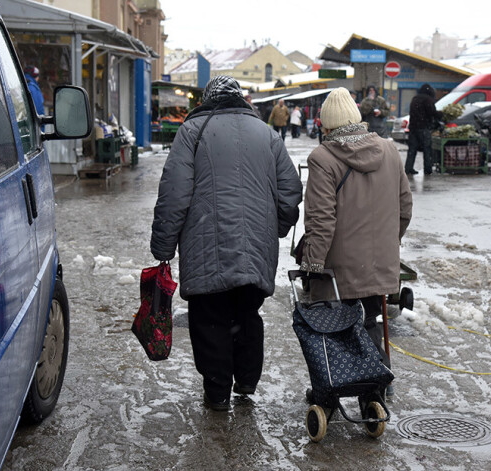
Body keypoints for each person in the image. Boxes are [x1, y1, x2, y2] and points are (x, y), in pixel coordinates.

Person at [150, 75, 303, 411]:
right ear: (241, 100)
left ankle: (217, 390)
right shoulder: (268, 134)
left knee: (210, 318)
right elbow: (291, 191)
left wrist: (163, 246)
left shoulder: (192, 132)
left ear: (208, 99)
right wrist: (273, 228)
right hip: (257, 249)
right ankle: (247, 380)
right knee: (247, 312)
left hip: (206, 246)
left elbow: (174, 194)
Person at [300, 87, 413, 389]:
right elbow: (405, 208)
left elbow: (321, 220)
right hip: (379, 264)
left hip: (338, 269)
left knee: (334, 326)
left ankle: (337, 386)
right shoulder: (389, 150)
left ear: (326, 124)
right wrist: (390, 245)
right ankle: (375, 384)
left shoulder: (323, 157)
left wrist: (311, 265)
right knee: (369, 320)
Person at [405, 83, 443, 176]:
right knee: (427, 149)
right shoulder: (428, 100)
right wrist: (441, 114)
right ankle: (428, 169)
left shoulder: (415, 99)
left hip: (413, 128)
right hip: (423, 128)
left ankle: (408, 168)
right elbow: (432, 112)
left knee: (412, 149)